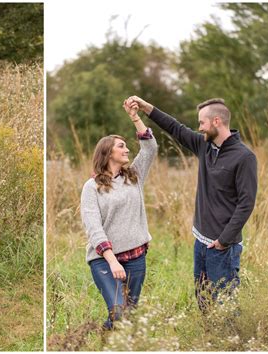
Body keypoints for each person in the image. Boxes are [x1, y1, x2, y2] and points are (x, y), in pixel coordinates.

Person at [126, 96, 257, 311]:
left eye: (202, 123)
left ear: (217, 121)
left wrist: (224, 241)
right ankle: (209, 341)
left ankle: (231, 344)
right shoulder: (204, 146)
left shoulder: (244, 157)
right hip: (200, 242)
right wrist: (145, 107)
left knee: (225, 306)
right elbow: (175, 128)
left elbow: (246, 204)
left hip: (223, 247)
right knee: (204, 302)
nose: (199, 128)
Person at [80, 101, 158, 329]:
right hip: (105, 260)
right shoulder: (91, 187)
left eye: (126, 146)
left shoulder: (133, 176)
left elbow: (150, 149)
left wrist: (135, 117)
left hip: (136, 257)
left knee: (128, 315)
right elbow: (94, 228)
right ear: (107, 153)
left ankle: (107, 338)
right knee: (118, 310)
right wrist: (112, 260)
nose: (126, 150)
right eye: (121, 146)